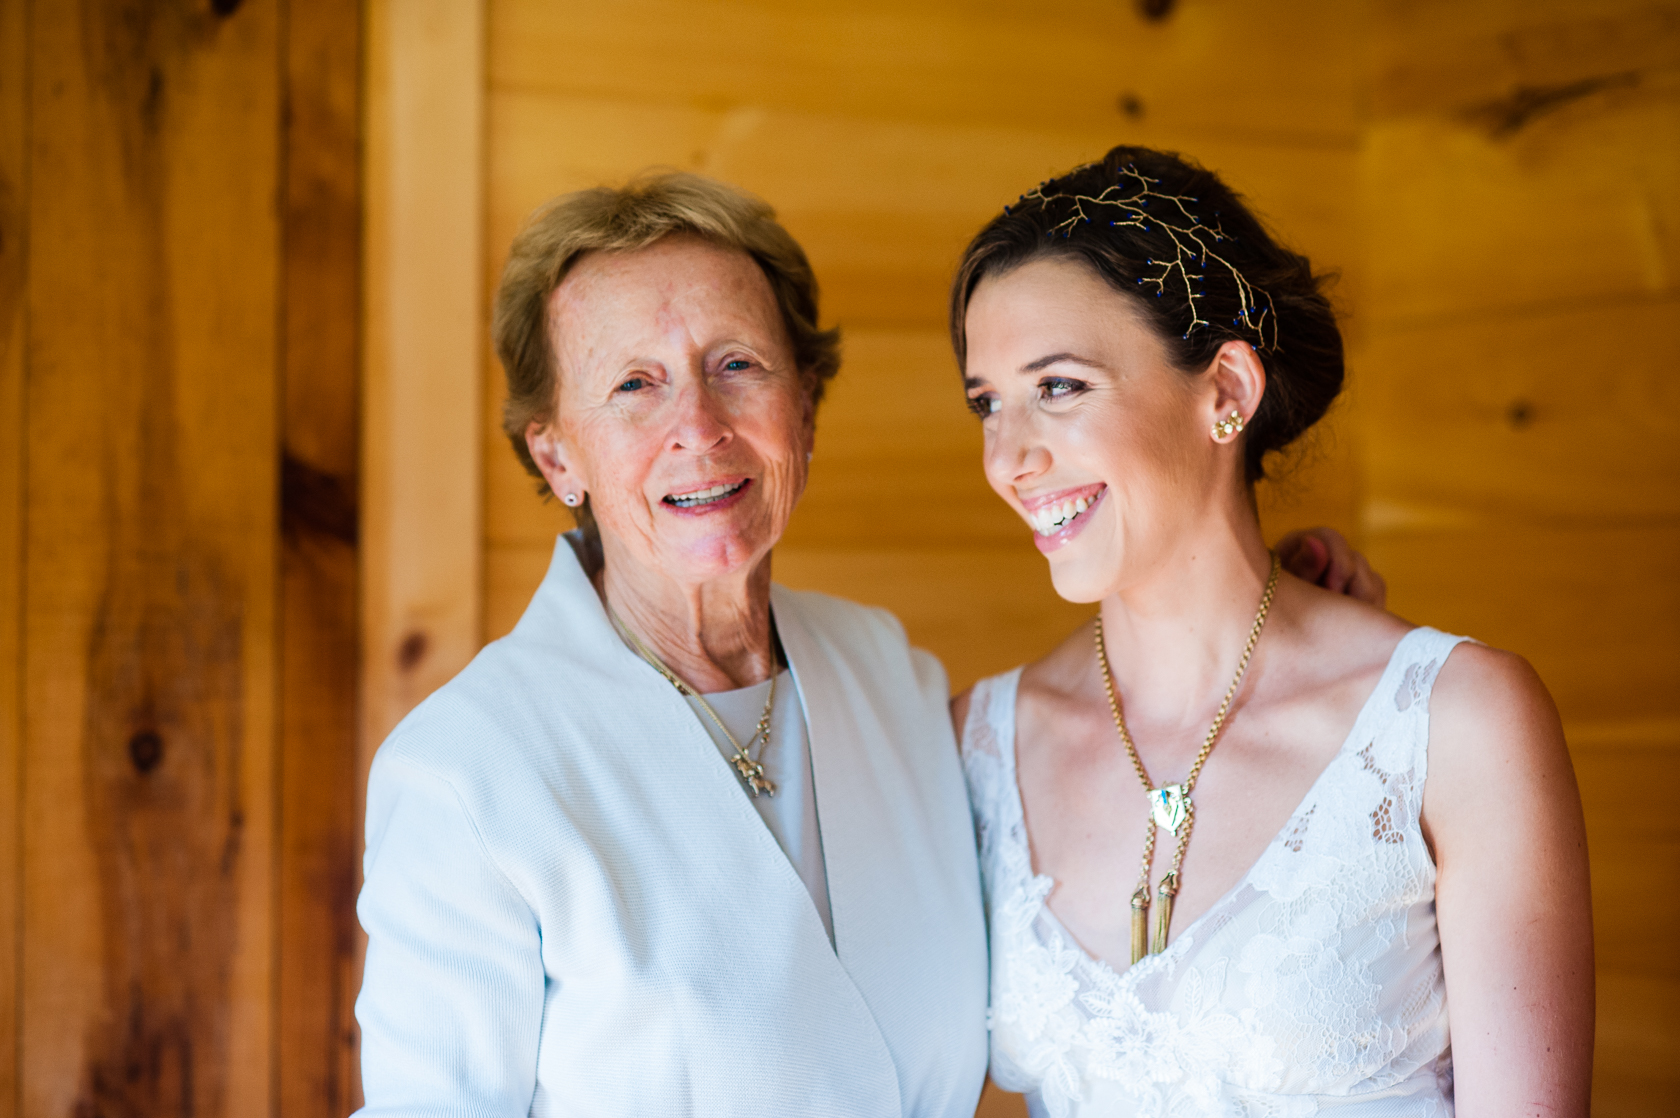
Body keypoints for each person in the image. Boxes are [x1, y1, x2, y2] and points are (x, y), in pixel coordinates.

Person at [352, 170, 1378, 1116]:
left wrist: (1267, 616)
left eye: (738, 365)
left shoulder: (886, 674)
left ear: (805, 404)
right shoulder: (467, 775)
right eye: (634, 385)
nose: (699, 426)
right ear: (556, 451)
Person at [949, 147, 1593, 1116]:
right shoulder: (976, 742)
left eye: (1061, 386)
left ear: (1227, 392)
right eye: (987, 402)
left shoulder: (1457, 724)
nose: (1011, 457)